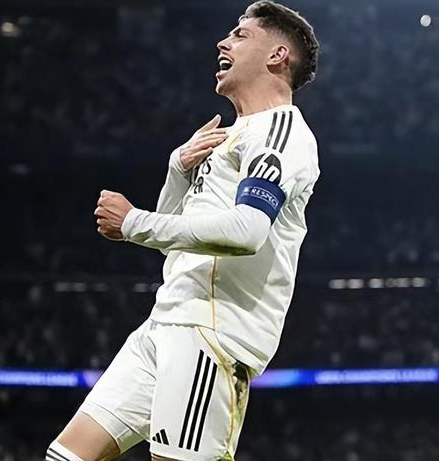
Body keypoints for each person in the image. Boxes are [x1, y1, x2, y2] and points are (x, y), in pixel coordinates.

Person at [46, 2, 320, 460]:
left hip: (212, 334)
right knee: (66, 456)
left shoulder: (281, 133)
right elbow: (175, 244)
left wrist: (132, 221)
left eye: (240, 35)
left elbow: (248, 231)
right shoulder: (229, 136)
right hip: (165, 321)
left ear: (277, 56)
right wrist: (178, 170)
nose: (223, 42)